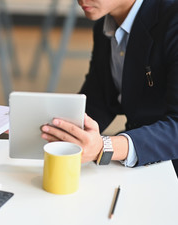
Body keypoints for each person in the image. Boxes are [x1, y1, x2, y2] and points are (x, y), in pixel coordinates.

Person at [41, 0, 178, 173]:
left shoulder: (172, 19)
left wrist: (104, 147)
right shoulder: (104, 27)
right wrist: (39, 128)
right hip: (142, 154)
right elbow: (99, 101)